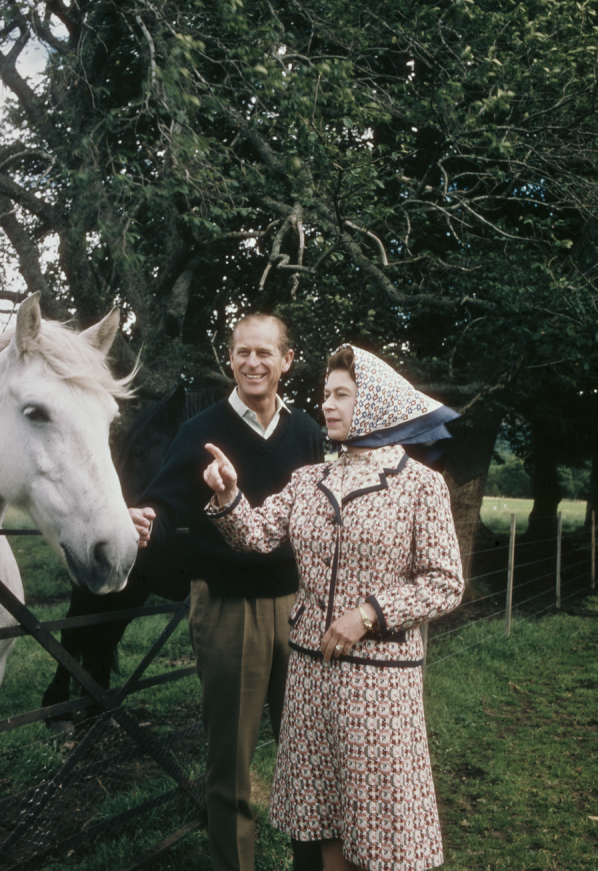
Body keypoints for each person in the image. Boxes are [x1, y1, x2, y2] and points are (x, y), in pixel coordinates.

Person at [202, 344, 464, 871]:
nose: (328, 405)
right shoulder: (308, 479)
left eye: (343, 395)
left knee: (381, 822)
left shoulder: (420, 486)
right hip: (310, 675)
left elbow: (445, 583)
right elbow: (253, 536)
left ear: (376, 403)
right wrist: (229, 495)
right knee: (323, 817)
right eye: (325, 395)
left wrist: (368, 613)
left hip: (380, 684)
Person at [130, 314, 324, 871]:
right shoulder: (201, 432)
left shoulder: (308, 432)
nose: (252, 363)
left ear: (286, 361)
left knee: (304, 758)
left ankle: (309, 864)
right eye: (242, 353)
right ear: (231, 359)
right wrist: (148, 519)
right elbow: (164, 502)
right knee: (230, 766)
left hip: (298, 610)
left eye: (264, 353)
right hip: (228, 610)